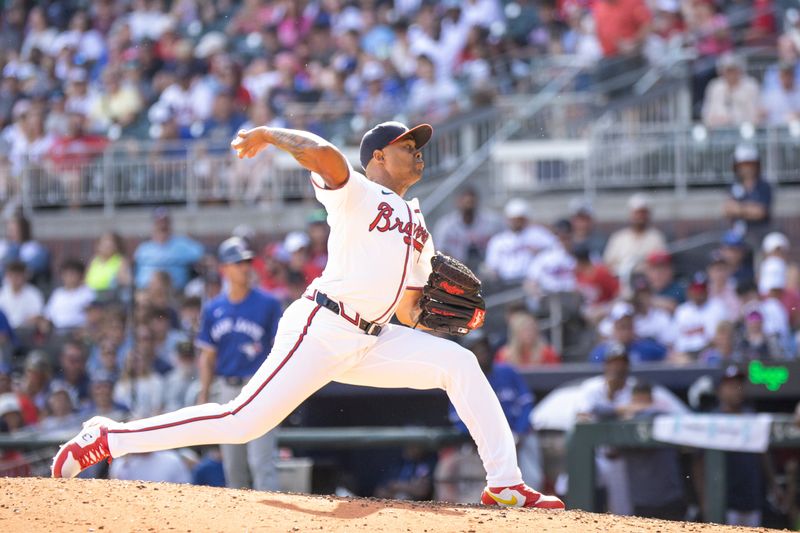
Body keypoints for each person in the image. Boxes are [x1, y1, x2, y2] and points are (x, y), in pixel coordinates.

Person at [52, 121, 564, 509]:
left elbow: (410, 309)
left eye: (419, 147)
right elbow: (324, 154)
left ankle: (503, 484)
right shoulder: (358, 193)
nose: (419, 154)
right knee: (241, 422)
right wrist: (272, 135)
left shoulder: (419, 223)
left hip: (372, 338)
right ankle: (107, 435)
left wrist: (454, 320)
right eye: (409, 146)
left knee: (459, 363)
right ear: (380, 157)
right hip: (322, 326)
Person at [195, 237, 283, 491]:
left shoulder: (268, 303)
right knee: (233, 465)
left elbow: (279, 348)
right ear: (225, 269)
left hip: (260, 388)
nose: (244, 267)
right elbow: (208, 356)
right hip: (228, 388)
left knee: (261, 462)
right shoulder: (213, 308)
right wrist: (203, 393)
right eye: (237, 263)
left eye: (246, 262)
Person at [485, 198, 557, 283]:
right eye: (513, 219)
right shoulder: (498, 240)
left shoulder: (537, 234)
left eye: (519, 219)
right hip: (504, 282)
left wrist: (540, 252)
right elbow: (492, 266)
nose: (516, 222)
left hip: (529, 281)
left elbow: (555, 248)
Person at [433, 186, 504, 271]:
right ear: (457, 202)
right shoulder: (445, 225)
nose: (468, 205)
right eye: (465, 202)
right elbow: (440, 251)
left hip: (485, 268)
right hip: (456, 269)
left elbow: (505, 241)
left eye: (471, 202)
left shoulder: (492, 222)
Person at [133, 208, 204, 290]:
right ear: (154, 225)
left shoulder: (183, 245)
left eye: (165, 222)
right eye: (159, 222)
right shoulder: (144, 248)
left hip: (175, 292)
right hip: (146, 292)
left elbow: (204, 256)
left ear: (170, 224)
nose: (162, 225)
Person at [603, 193, 667, 279]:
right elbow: (607, 264)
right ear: (630, 214)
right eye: (637, 213)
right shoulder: (618, 238)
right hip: (622, 283)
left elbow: (662, 265)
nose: (640, 217)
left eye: (643, 213)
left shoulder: (656, 237)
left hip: (648, 284)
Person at [671, 272, 728, 361]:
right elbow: (675, 340)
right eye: (695, 290)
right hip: (685, 354)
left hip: (710, 351)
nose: (699, 294)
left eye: (702, 290)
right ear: (689, 291)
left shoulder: (718, 307)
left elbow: (723, 338)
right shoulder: (682, 311)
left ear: (707, 290)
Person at [723, 144, 772, 243]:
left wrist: (739, 209)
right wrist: (749, 209)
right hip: (738, 241)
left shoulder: (764, 186)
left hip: (759, 237)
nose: (746, 168)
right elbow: (727, 209)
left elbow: (760, 212)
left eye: (750, 164)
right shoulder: (733, 185)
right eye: (742, 164)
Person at [702, 53, 761, 128]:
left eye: (733, 70)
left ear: (739, 70)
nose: (731, 74)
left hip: (744, 130)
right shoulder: (715, 86)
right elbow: (707, 114)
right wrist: (718, 120)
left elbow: (755, 115)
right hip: (719, 131)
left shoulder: (750, 86)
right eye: (728, 70)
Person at [495, 310, 560, 367]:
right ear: (515, 333)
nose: (529, 333)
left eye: (531, 329)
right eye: (524, 330)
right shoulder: (504, 355)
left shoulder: (548, 353)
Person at [43, 259, 95, 331]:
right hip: (57, 331)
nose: (69, 277)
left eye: (72, 274)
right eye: (66, 274)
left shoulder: (88, 292)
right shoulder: (58, 293)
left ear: (81, 275)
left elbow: (92, 316)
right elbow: (48, 315)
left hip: (77, 331)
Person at [0, 260, 44, 329]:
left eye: (18, 275)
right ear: (8, 276)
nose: (16, 278)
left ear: (25, 276)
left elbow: (37, 316)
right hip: (5, 333)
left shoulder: (33, 294)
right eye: (13, 275)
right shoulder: (2, 293)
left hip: (25, 332)